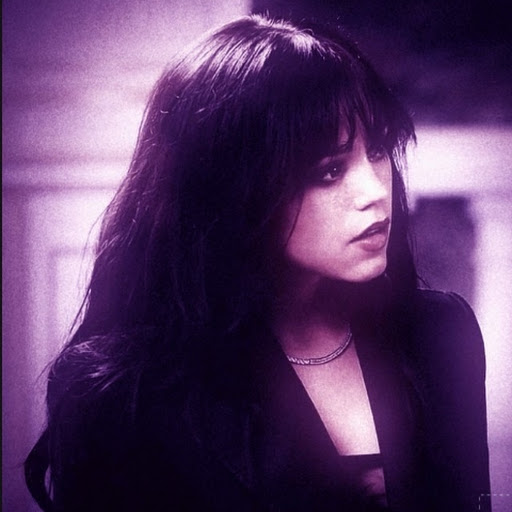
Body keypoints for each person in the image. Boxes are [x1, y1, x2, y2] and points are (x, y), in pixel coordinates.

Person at [25, 14, 490, 512]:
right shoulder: (121, 393)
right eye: (329, 171)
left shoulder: (439, 333)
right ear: (237, 190)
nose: (375, 191)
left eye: (377, 151)